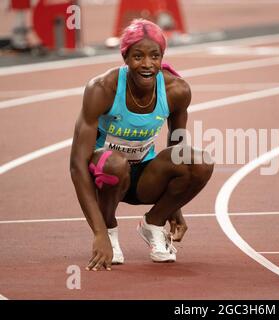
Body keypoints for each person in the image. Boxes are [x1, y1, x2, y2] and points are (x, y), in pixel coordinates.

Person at [70, 19, 214, 271]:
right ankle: (112, 232)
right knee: (115, 162)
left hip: (145, 177)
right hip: (105, 176)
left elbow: (177, 145)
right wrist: (100, 232)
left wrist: (174, 207)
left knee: (199, 162)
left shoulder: (176, 91)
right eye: (138, 56)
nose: (147, 64)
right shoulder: (102, 89)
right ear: (125, 57)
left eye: (154, 56)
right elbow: (76, 166)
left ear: (162, 58)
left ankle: (153, 224)